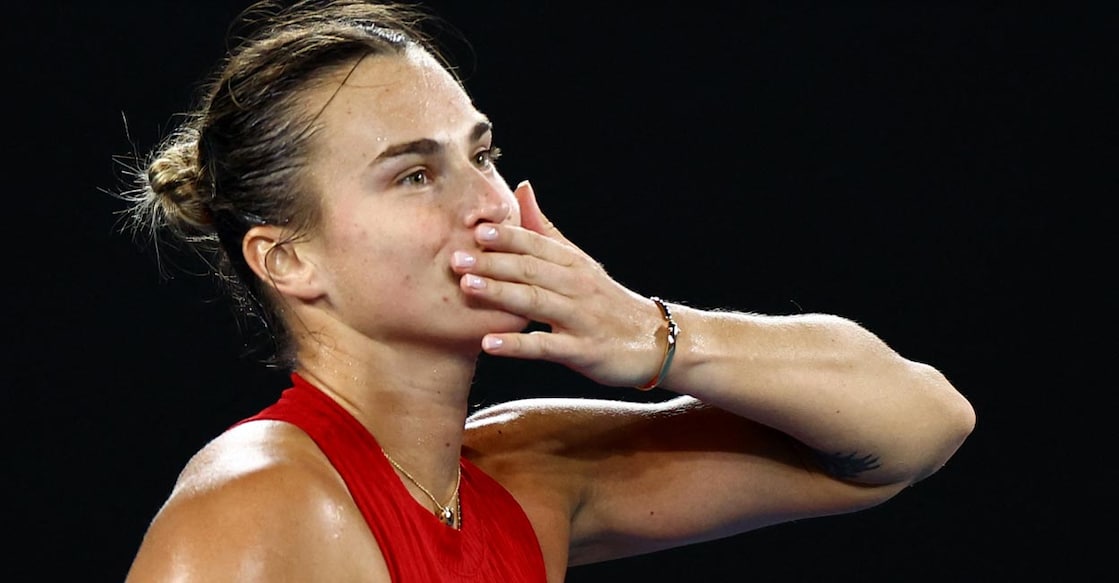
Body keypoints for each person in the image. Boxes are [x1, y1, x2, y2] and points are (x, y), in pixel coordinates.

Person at [119, 1, 976, 581]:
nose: (488, 205)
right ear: (287, 260)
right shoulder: (254, 503)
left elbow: (917, 428)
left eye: (481, 156)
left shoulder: (527, 476)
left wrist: (652, 335)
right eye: (415, 174)